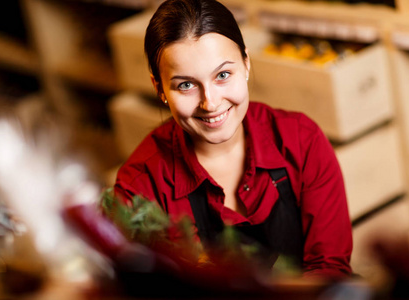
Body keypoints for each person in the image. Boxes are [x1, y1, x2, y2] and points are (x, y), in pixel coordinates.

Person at [115, 0, 352, 279]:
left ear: (246, 64)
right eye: (186, 85)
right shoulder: (140, 187)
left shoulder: (301, 141)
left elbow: (330, 270)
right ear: (160, 89)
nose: (210, 102)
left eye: (223, 75)